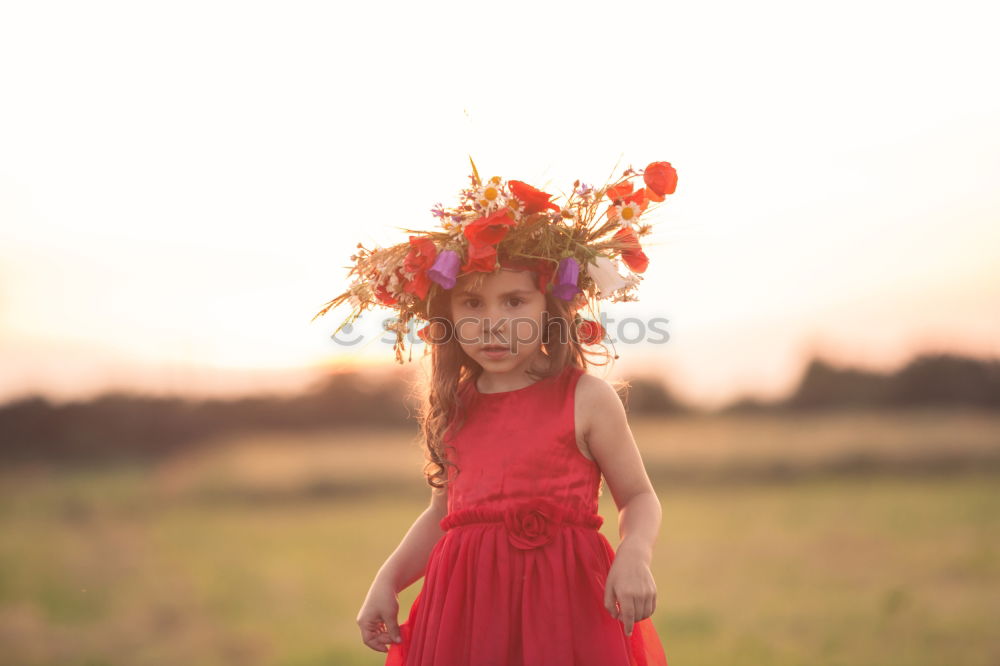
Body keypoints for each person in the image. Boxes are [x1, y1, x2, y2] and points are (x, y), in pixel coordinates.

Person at [314, 157, 678, 665]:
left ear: (548, 308)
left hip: (565, 610)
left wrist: (635, 554)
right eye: (471, 304)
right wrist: (388, 580)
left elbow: (638, 496)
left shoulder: (586, 397)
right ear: (448, 317)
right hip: (466, 615)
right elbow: (442, 514)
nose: (492, 324)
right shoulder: (454, 407)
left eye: (513, 302)